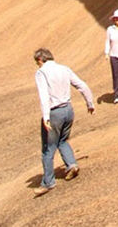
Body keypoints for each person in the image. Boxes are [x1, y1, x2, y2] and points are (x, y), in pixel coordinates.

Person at [32, 48, 95, 196]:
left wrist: (46, 117)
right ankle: (71, 165)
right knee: (63, 140)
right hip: (68, 110)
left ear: (41, 60)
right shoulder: (64, 69)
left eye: (37, 62)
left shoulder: (42, 73)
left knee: (48, 148)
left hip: (54, 113)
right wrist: (90, 103)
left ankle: (48, 182)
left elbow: (44, 96)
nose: (37, 65)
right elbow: (82, 85)